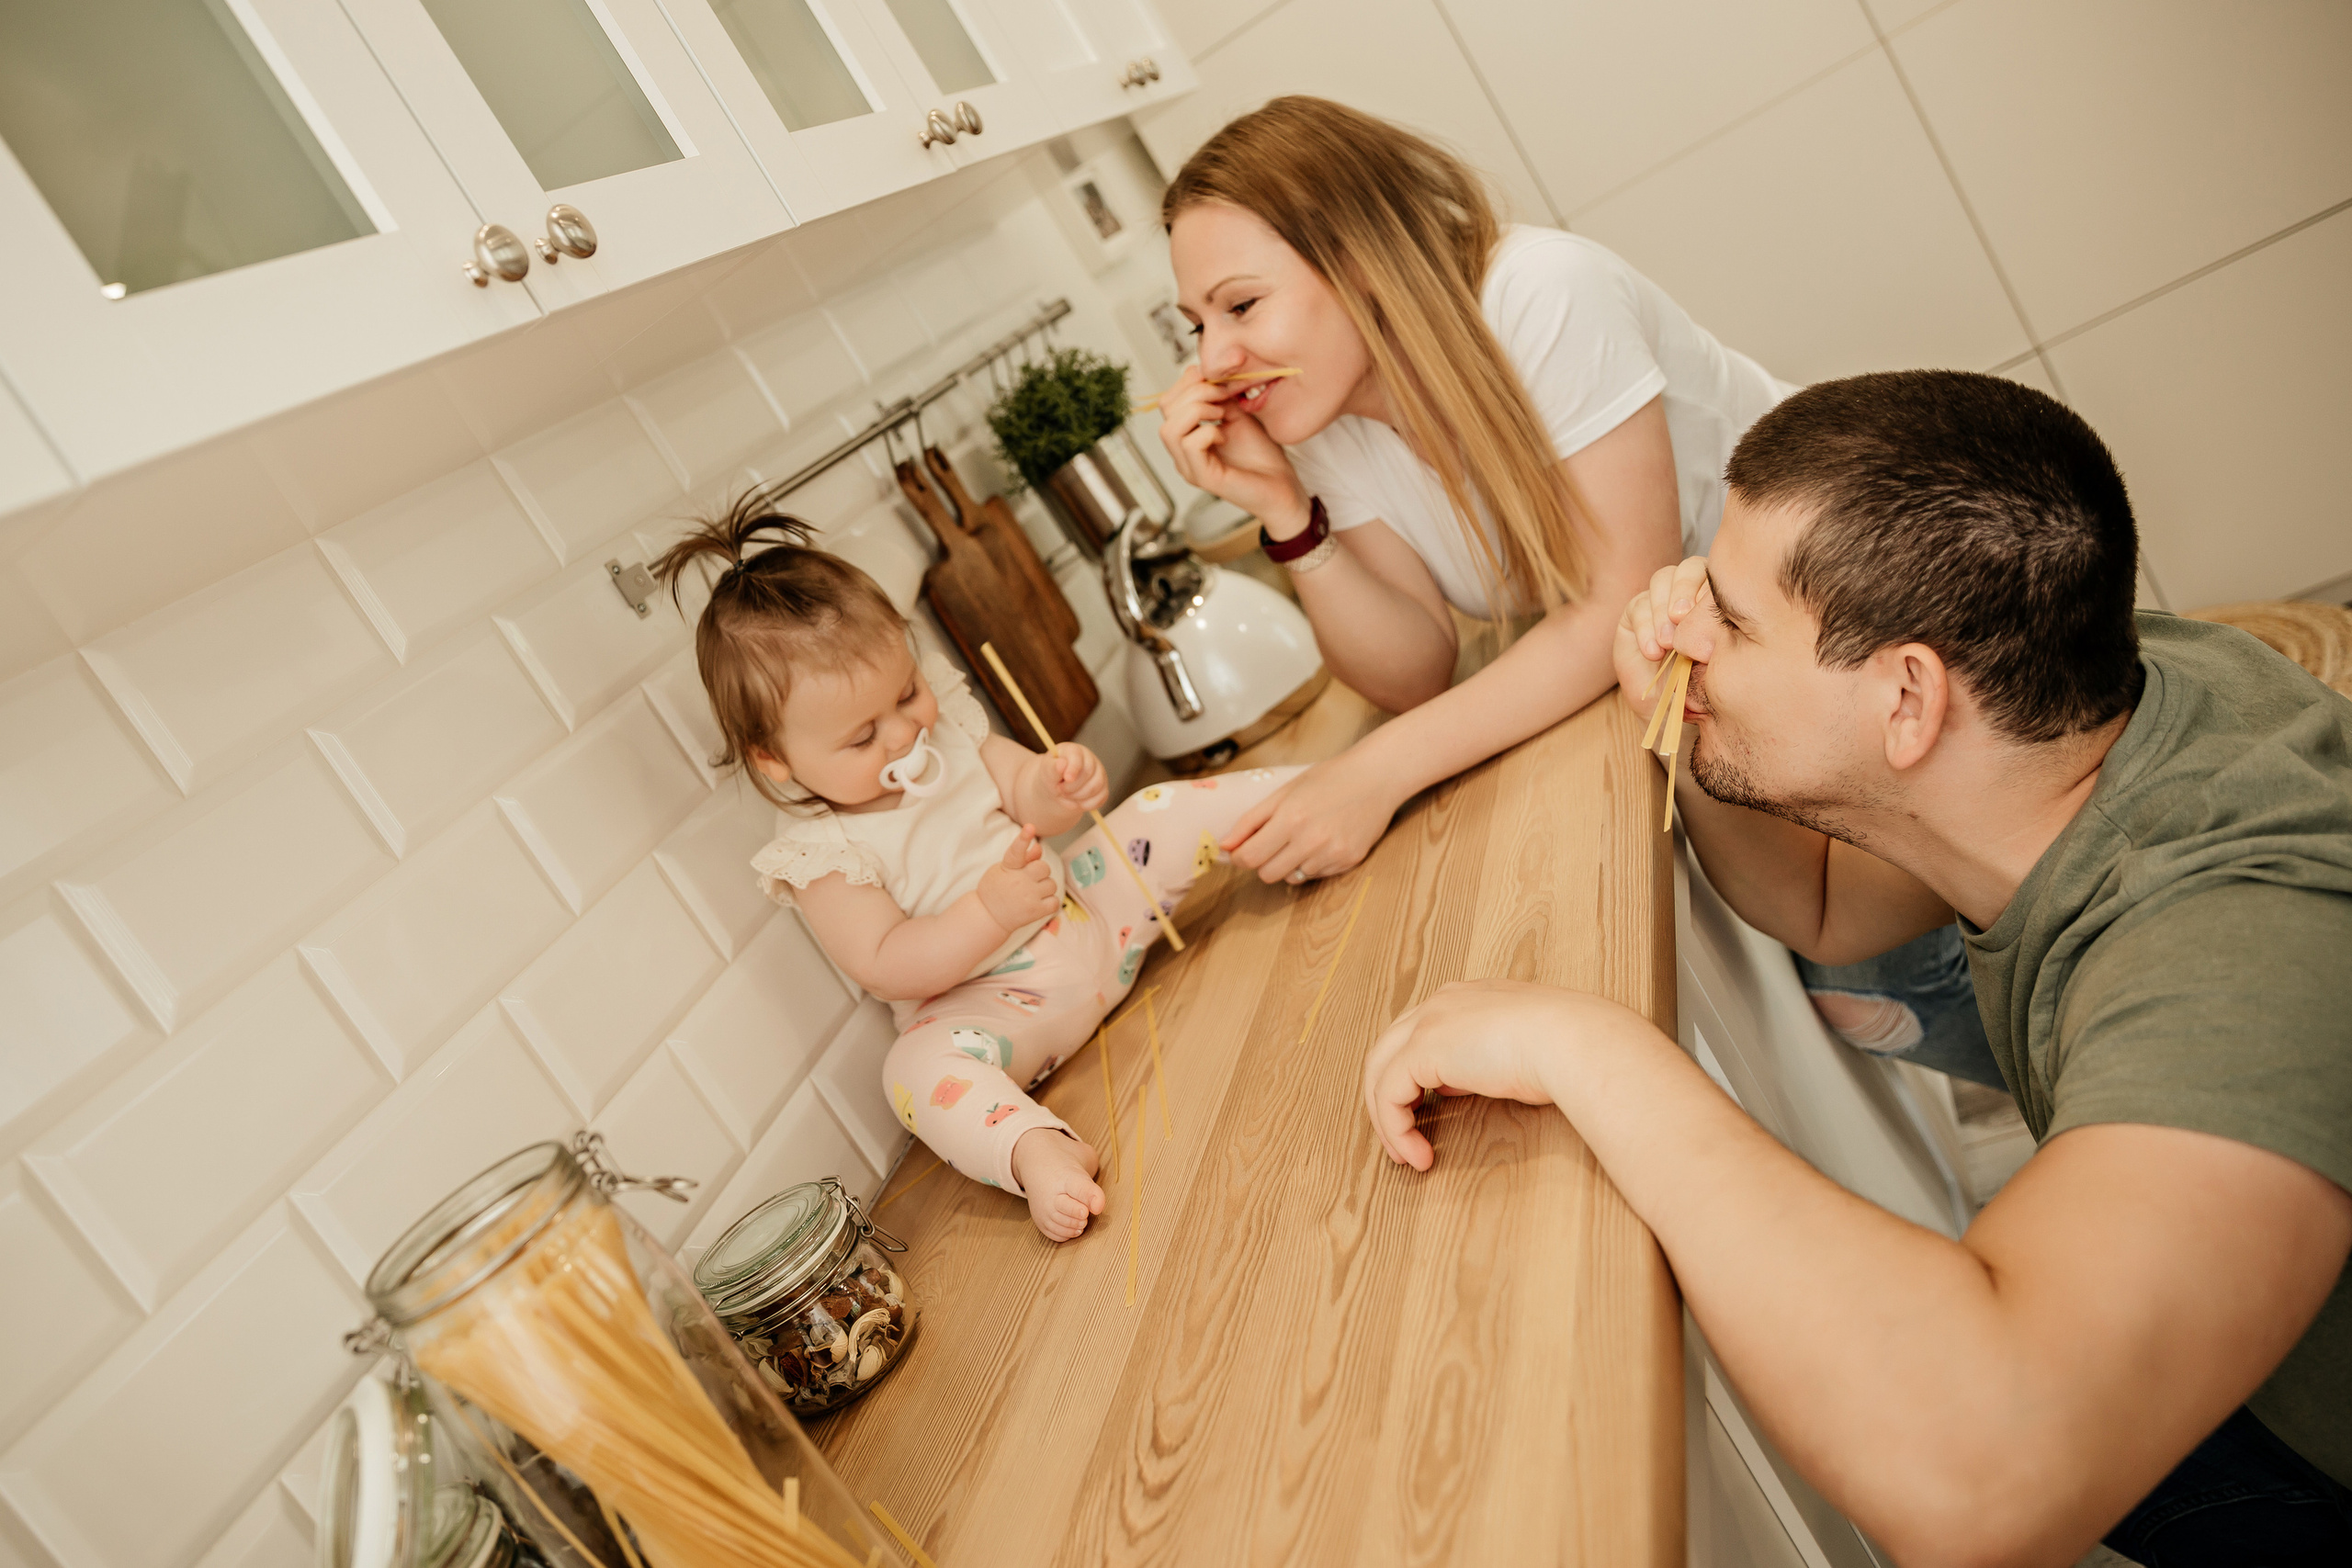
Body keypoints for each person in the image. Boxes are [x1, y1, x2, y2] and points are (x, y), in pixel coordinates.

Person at [1359, 371, 2352, 1564]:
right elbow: (1819, 903)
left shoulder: (2233, 946)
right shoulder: (2066, 726)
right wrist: (1690, 717)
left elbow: (1978, 1477)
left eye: (1726, 616)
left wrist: (1591, 1049)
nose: (1680, 624)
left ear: (1907, 696)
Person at [1154, 95, 1787, 888]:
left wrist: (1375, 772)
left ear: (1360, 258)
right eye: (1196, 325)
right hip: (1719, 701)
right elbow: (1417, 666)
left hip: (1833, 612)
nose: (1213, 359)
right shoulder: (1318, 417)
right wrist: (1286, 514)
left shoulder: (1540, 293)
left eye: (1241, 305)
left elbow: (1620, 599)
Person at [652, 497, 1303, 1242]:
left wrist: (1057, 787)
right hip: (995, 1009)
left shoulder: (950, 725)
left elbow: (1024, 790)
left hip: (1089, 914)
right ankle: (1035, 1150)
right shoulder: (820, 849)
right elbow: (888, 964)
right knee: (913, 1070)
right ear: (777, 759)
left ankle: (1312, 799)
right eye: (864, 736)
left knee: (1154, 808)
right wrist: (988, 912)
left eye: (906, 692)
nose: (904, 733)